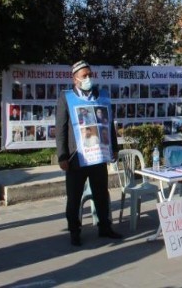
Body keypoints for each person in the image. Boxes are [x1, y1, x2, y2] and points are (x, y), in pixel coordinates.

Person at [56, 60, 122, 247]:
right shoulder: (66, 98)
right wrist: (62, 155)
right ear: (75, 78)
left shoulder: (101, 96)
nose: (88, 78)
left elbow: (108, 124)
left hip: (98, 155)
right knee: (74, 197)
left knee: (101, 194)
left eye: (90, 75)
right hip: (76, 158)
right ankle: (75, 231)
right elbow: (60, 128)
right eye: (84, 76)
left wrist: (114, 148)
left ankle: (105, 227)